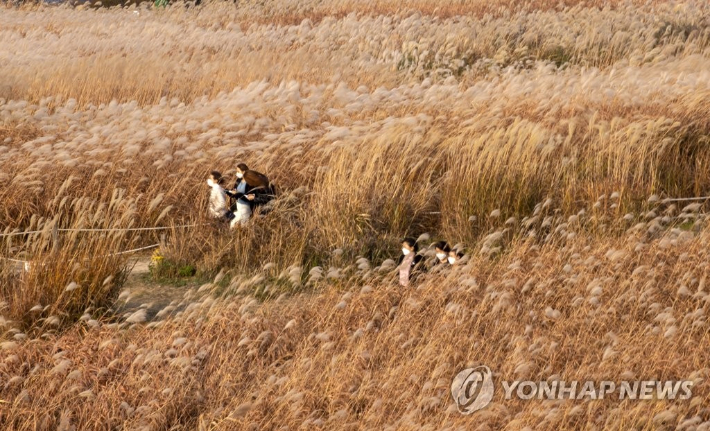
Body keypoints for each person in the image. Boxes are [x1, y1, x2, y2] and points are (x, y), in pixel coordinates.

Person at [225, 163, 273, 228]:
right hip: (245, 208)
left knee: (241, 224)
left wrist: (254, 198)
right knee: (235, 222)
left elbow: (267, 199)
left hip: (255, 210)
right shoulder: (255, 184)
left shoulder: (263, 186)